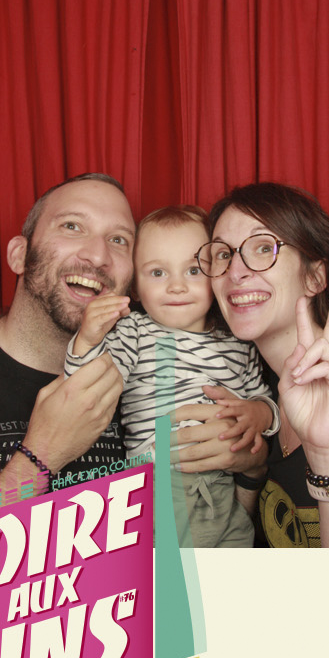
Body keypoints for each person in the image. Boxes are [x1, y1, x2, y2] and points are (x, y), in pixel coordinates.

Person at [185, 183, 329, 547]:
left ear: (315, 277)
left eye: (263, 248)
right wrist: (250, 470)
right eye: (223, 254)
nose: (235, 271)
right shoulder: (254, 389)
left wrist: (327, 455)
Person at [63, 206, 278, 548]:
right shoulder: (134, 331)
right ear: (135, 286)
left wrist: (260, 412)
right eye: (158, 273)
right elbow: (85, 388)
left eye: (193, 271)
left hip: (225, 492)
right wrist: (87, 340)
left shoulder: (238, 340)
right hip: (157, 486)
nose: (177, 286)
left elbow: (263, 397)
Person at [0, 174, 134, 510]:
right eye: (72, 226)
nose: (98, 256)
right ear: (19, 256)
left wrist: (243, 470)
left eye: (118, 240)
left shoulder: (143, 374)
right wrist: (42, 455)